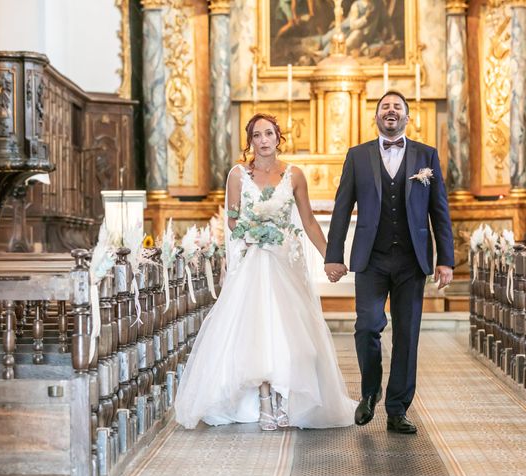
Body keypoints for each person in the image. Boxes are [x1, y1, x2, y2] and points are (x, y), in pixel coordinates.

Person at [174, 113, 356, 431]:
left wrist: (332, 257)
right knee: (258, 330)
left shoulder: (294, 175)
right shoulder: (237, 175)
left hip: (286, 260)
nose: (263, 140)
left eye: (268, 133)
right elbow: (231, 219)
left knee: (290, 332)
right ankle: (264, 400)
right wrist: (250, 229)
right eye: (256, 135)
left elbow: (310, 221)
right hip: (254, 261)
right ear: (250, 141)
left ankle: (286, 398)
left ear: (278, 137)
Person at [324, 91, 454, 434]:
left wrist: (446, 260)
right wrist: (333, 256)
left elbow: (439, 211)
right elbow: (341, 208)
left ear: (408, 117)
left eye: (397, 107)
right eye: (385, 107)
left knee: (407, 335)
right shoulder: (358, 156)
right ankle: (370, 393)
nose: (391, 111)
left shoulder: (426, 155)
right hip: (371, 258)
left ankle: (397, 409)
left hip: (412, 261)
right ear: (377, 117)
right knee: (367, 325)